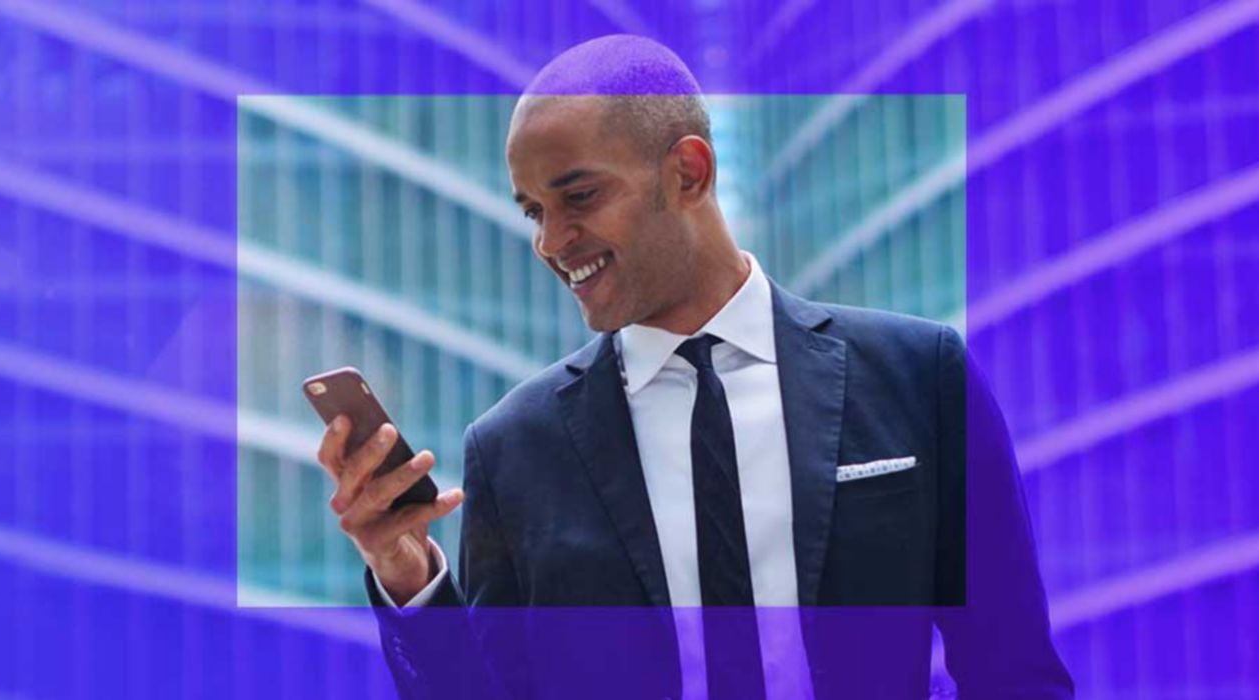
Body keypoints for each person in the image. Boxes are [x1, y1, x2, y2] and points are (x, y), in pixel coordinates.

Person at [315, 35, 1072, 699]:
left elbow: (1015, 671)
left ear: (689, 171)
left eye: (578, 196)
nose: (551, 240)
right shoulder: (514, 446)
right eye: (534, 211)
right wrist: (406, 572)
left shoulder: (918, 376)